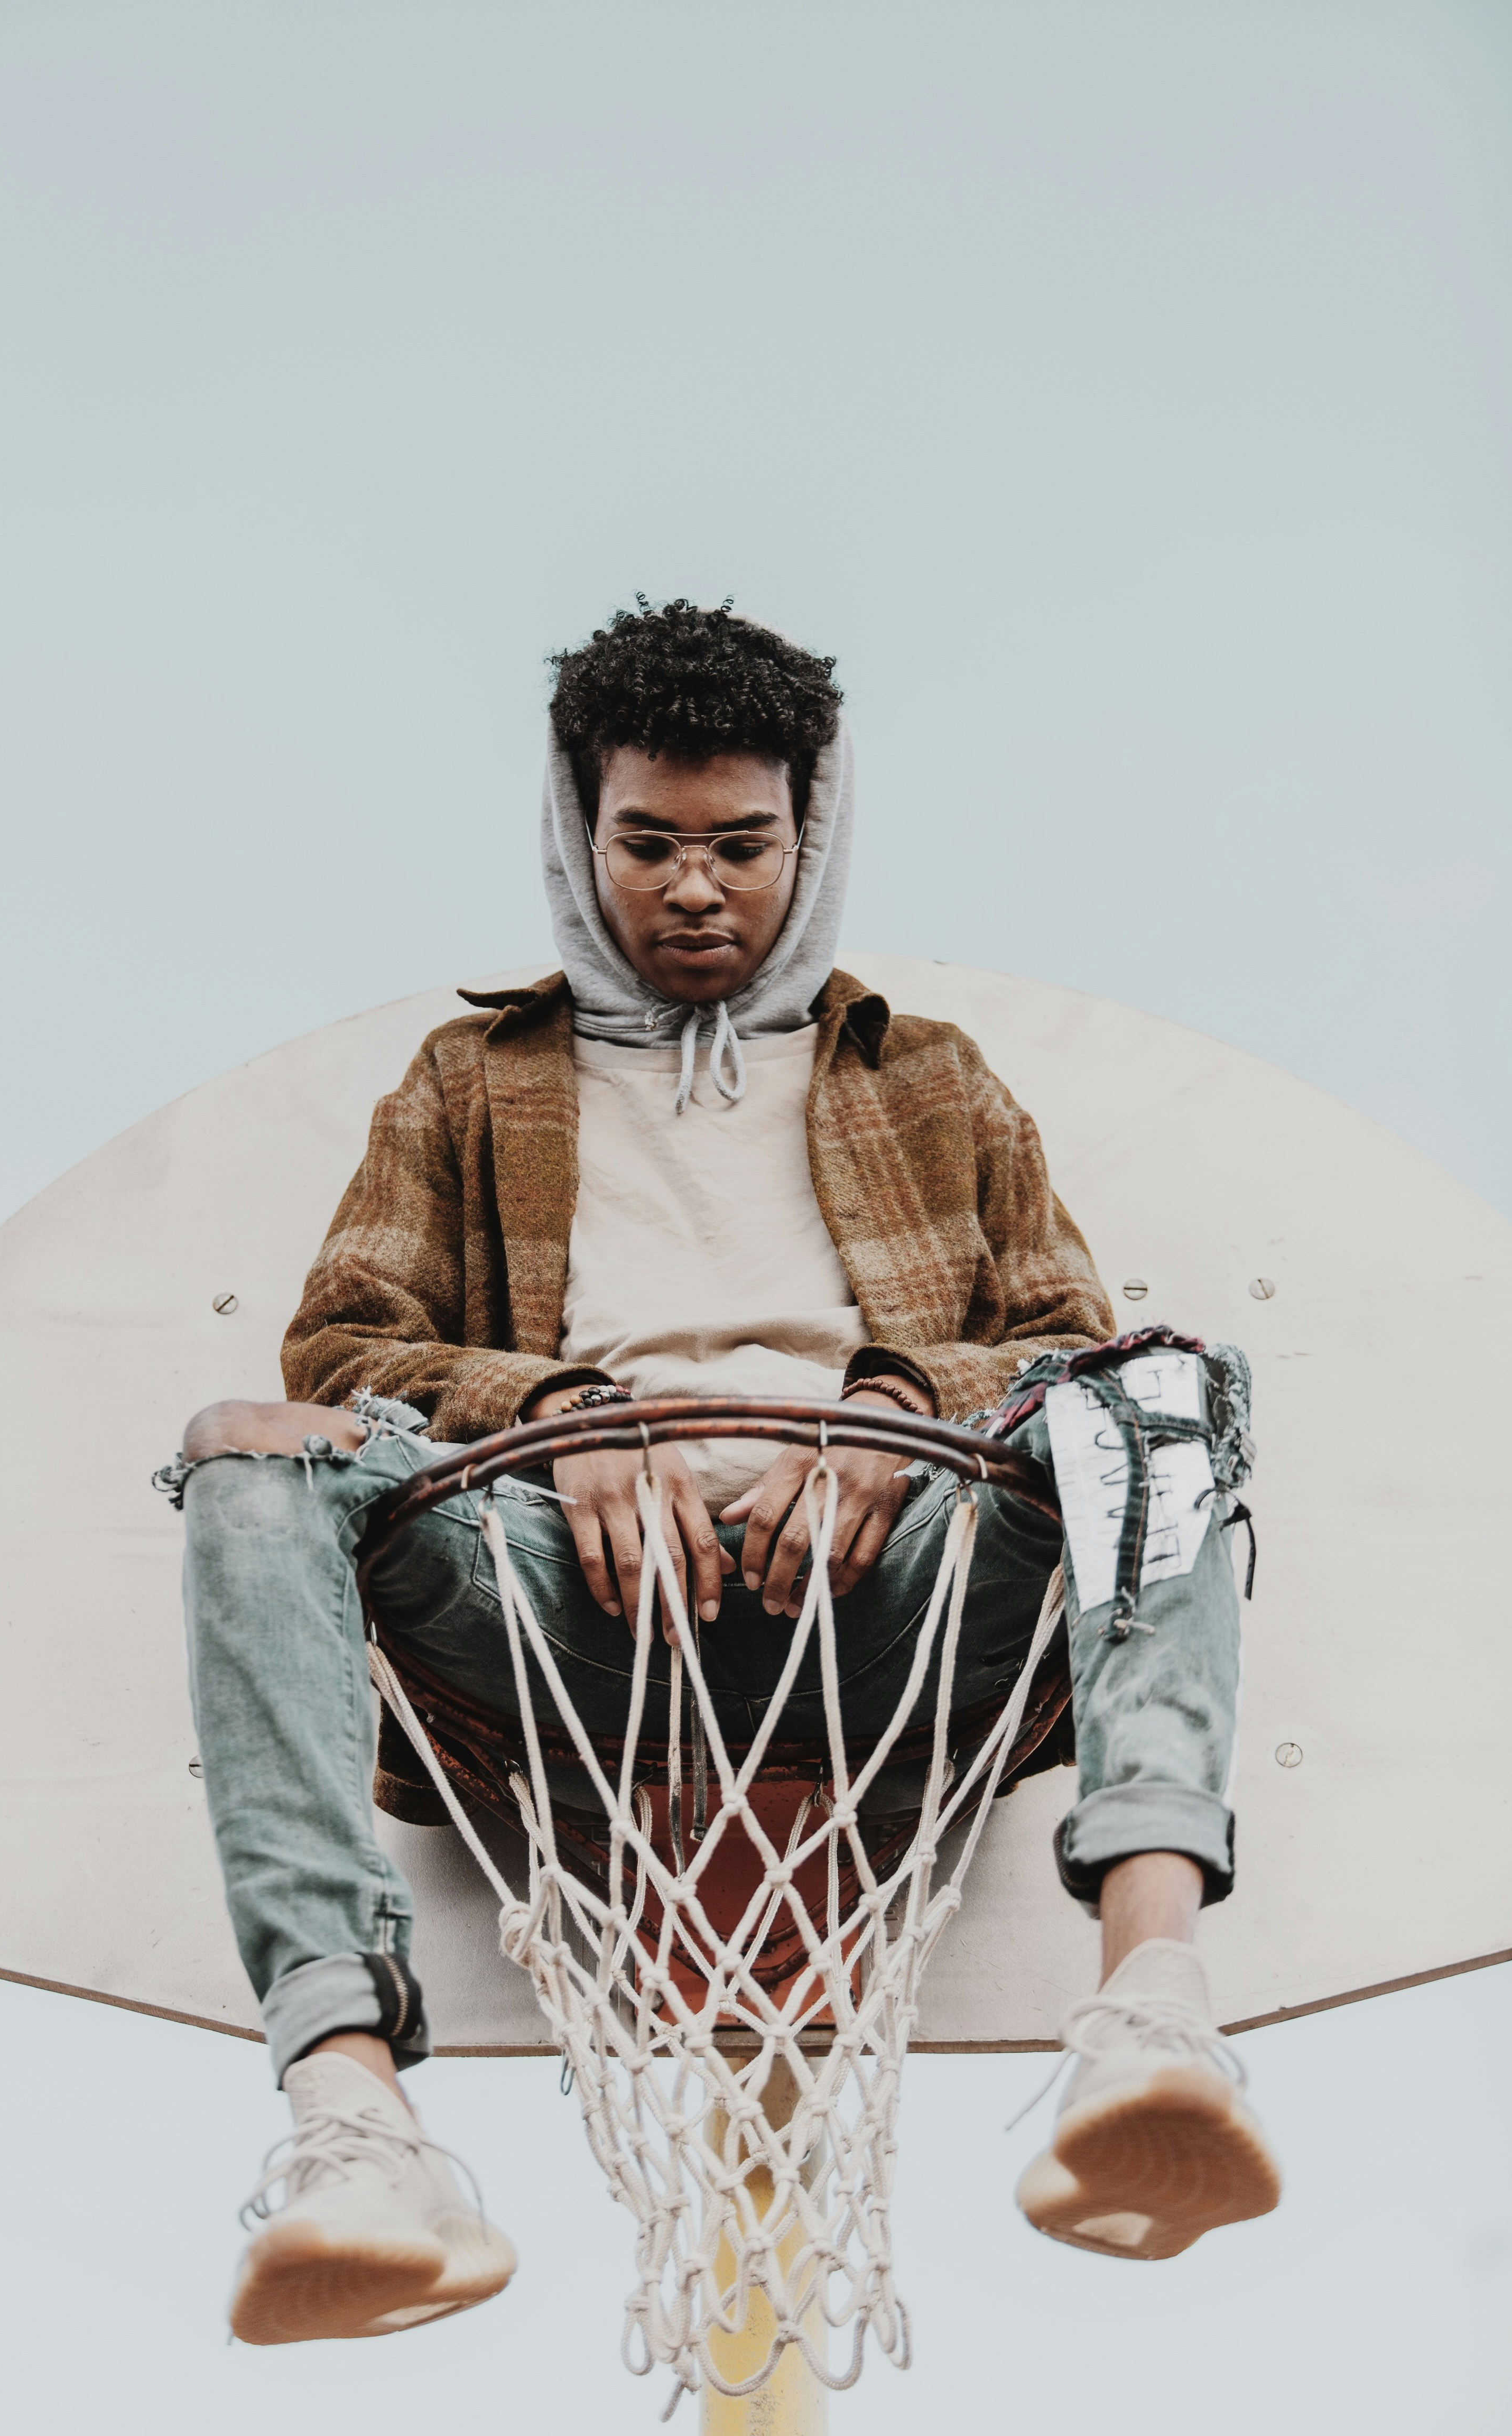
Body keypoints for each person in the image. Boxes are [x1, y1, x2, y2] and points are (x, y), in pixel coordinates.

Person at [162, 598, 1280, 2347]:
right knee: (246, 1460)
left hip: (895, 1607)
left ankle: (1151, 2007)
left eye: (743, 847)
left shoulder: (922, 1076)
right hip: (567, 1619)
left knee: (1165, 1394)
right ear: (575, 833)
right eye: (649, 845)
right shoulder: (475, 1080)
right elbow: (344, 1350)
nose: (695, 889)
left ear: (809, 838)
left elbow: (1061, 1335)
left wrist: (890, 1410)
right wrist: (562, 1416)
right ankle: (351, 2122)